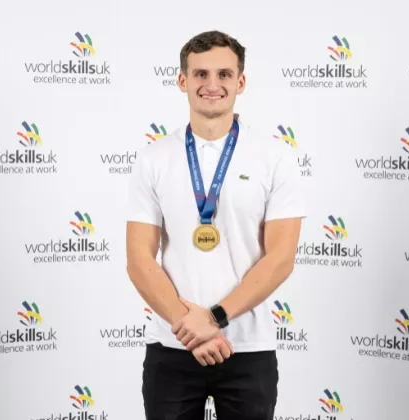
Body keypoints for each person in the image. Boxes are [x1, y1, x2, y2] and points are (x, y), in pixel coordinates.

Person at [126, 30, 305, 420]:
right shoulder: (153, 159)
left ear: (241, 82)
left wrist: (213, 319)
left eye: (224, 74)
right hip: (172, 346)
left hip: (248, 348)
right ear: (182, 81)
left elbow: (280, 259)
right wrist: (189, 326)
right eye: (200, 74)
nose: (212, 84)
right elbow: (139, 260)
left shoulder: (276, 157)